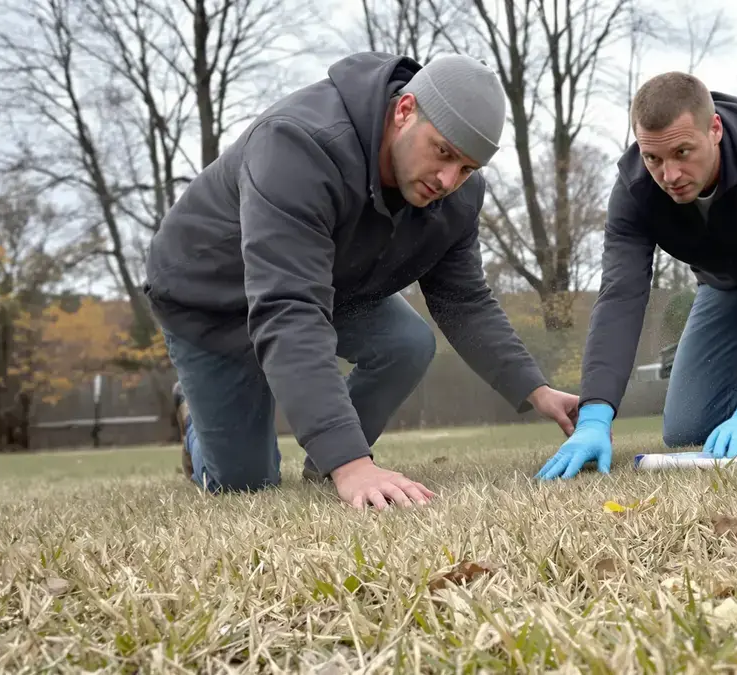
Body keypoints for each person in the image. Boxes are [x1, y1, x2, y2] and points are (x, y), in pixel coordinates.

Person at [145, 52, 580, 509]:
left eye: (467, 168)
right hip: (211, 299)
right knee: (244, 485)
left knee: (407, 343)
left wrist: (535, 389)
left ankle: (324, 467)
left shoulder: (456, 194)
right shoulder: (299, 145)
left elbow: (463, 300)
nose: (448, 179)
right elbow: (289, 307)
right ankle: (200, 422)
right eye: (443, 152)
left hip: (322, 282)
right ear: (405, 109)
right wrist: (352, 463)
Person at [536, 71, 737, 480]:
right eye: (653, 158)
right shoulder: (635, 188)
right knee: (687, 429)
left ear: (715, 129)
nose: (669, 175)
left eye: (682, 152)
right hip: (729, 277)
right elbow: (620, 297)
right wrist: (594, 416)